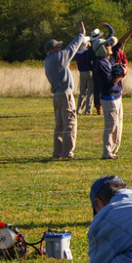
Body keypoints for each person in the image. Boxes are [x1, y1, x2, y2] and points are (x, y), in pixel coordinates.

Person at [43, 23, 86, 160]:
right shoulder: (58, 58)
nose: (60, 49)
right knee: (70, 123)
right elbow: (72, 48)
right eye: (57, 47)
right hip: (65, 94)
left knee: (60, 125)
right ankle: (67, 153)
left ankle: (58, 153)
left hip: (57, 96)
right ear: (52, 50)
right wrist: (81, 34)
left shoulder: (48, 60)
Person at [93, 34, 126, 160]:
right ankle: (107, 152)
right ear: (101, 49)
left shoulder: (107, 60)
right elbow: (110, 82)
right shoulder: (101, 64)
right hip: (109, 99)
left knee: (118, 125)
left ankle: (113, 151)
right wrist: (122, 73)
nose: (109, 46)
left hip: (116, 97)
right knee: (111, 125)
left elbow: (119, 43)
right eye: (107, 45)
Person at [76, 38, 95, 115]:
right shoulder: (87, 52)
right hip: (89, 72)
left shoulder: (77, 53)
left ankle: (78, 110)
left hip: (81, 73)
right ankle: (88, 110)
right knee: (90, 92)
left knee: (82, 92)